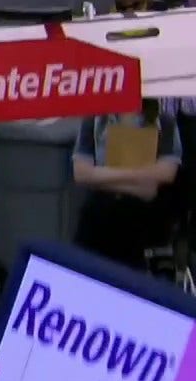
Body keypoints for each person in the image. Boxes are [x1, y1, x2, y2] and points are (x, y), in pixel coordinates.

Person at [72, 100, 181, 271]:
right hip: (99, 214)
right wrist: (140, 183)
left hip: (142, 217)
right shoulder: (95, 118)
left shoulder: (164, 121)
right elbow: (81, 173)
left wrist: (101, 177)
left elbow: (167, 172)